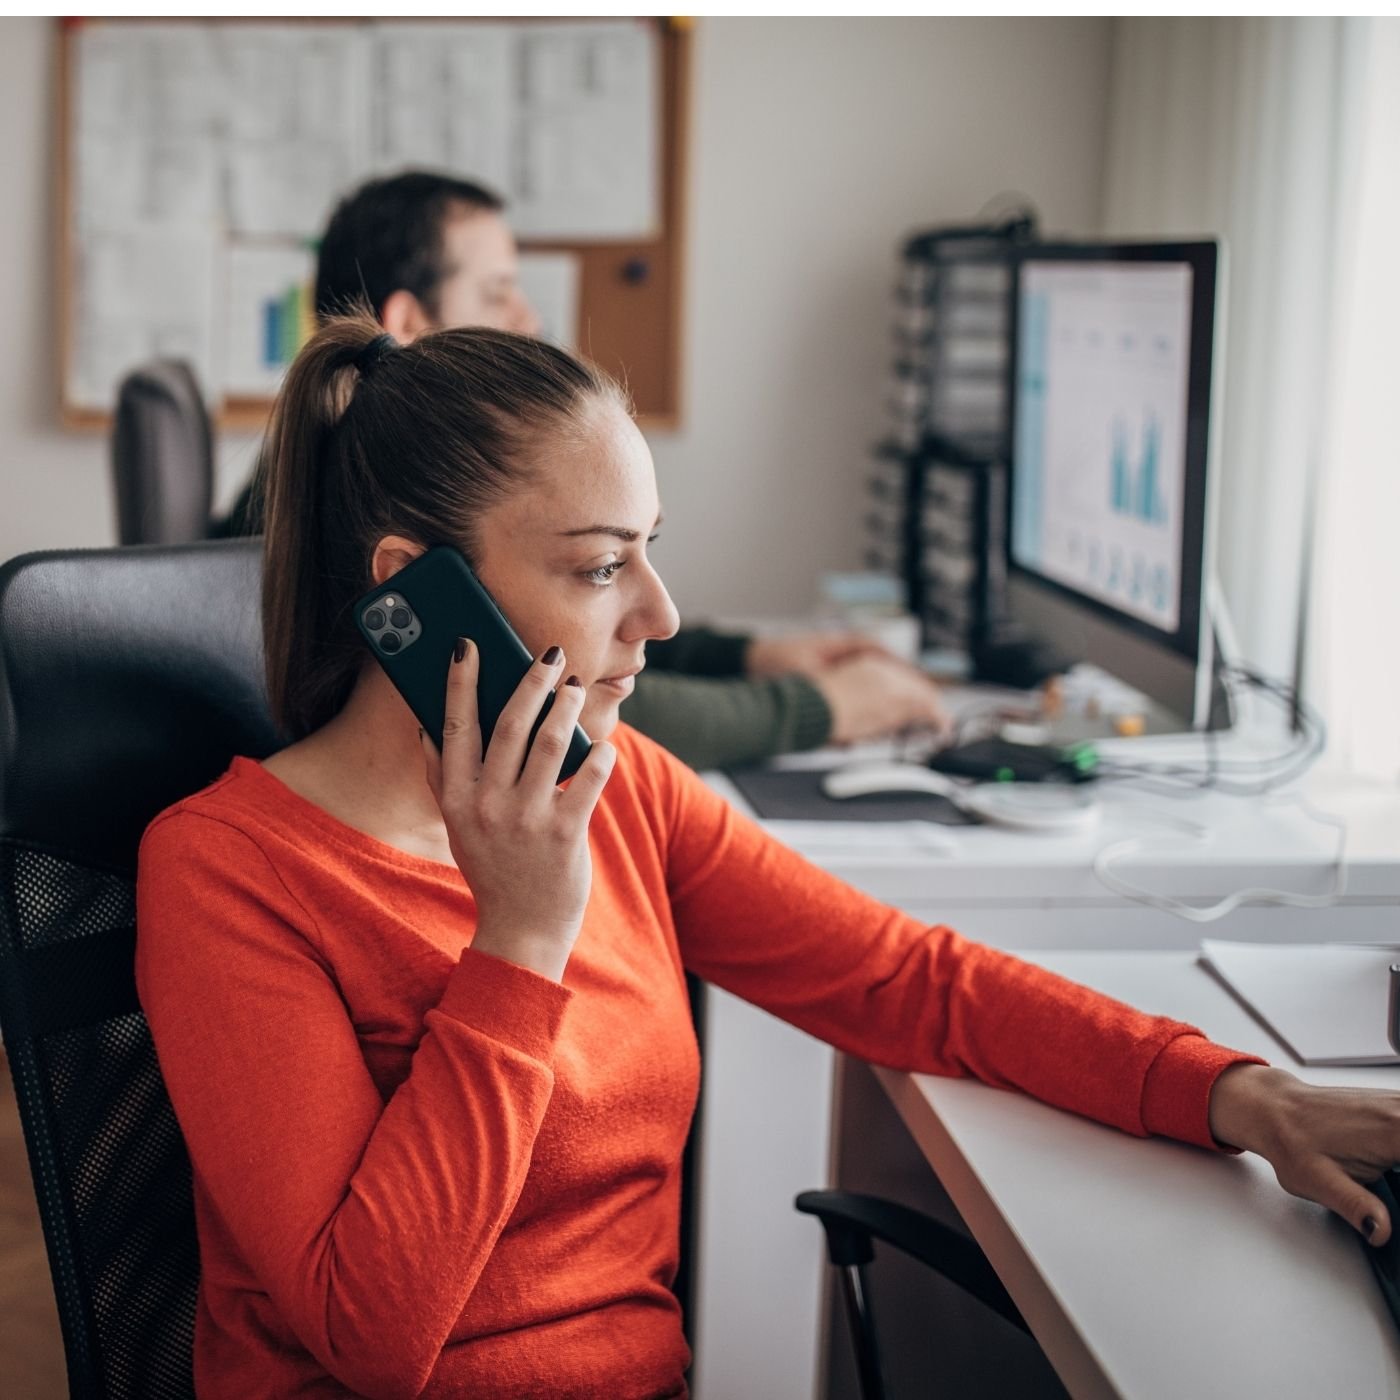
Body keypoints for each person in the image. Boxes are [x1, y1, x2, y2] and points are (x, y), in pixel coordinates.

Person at [137, 317, 1400, 1400]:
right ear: (412, 594)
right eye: (596, 565)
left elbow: (910, 980)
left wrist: (1233, 1094)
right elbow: (372, 1335)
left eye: (647, 546)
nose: (660, 614)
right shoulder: (230, 873)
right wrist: (520, 937)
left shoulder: (623, 795)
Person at [212, 169, 949, 768]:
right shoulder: (334, 510)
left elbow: (559, 606)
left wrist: (747, 654)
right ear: (408, 325)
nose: (529, 320)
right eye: (499, 292)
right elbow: (554, 676)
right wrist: (827, 707)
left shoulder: (337, 463)